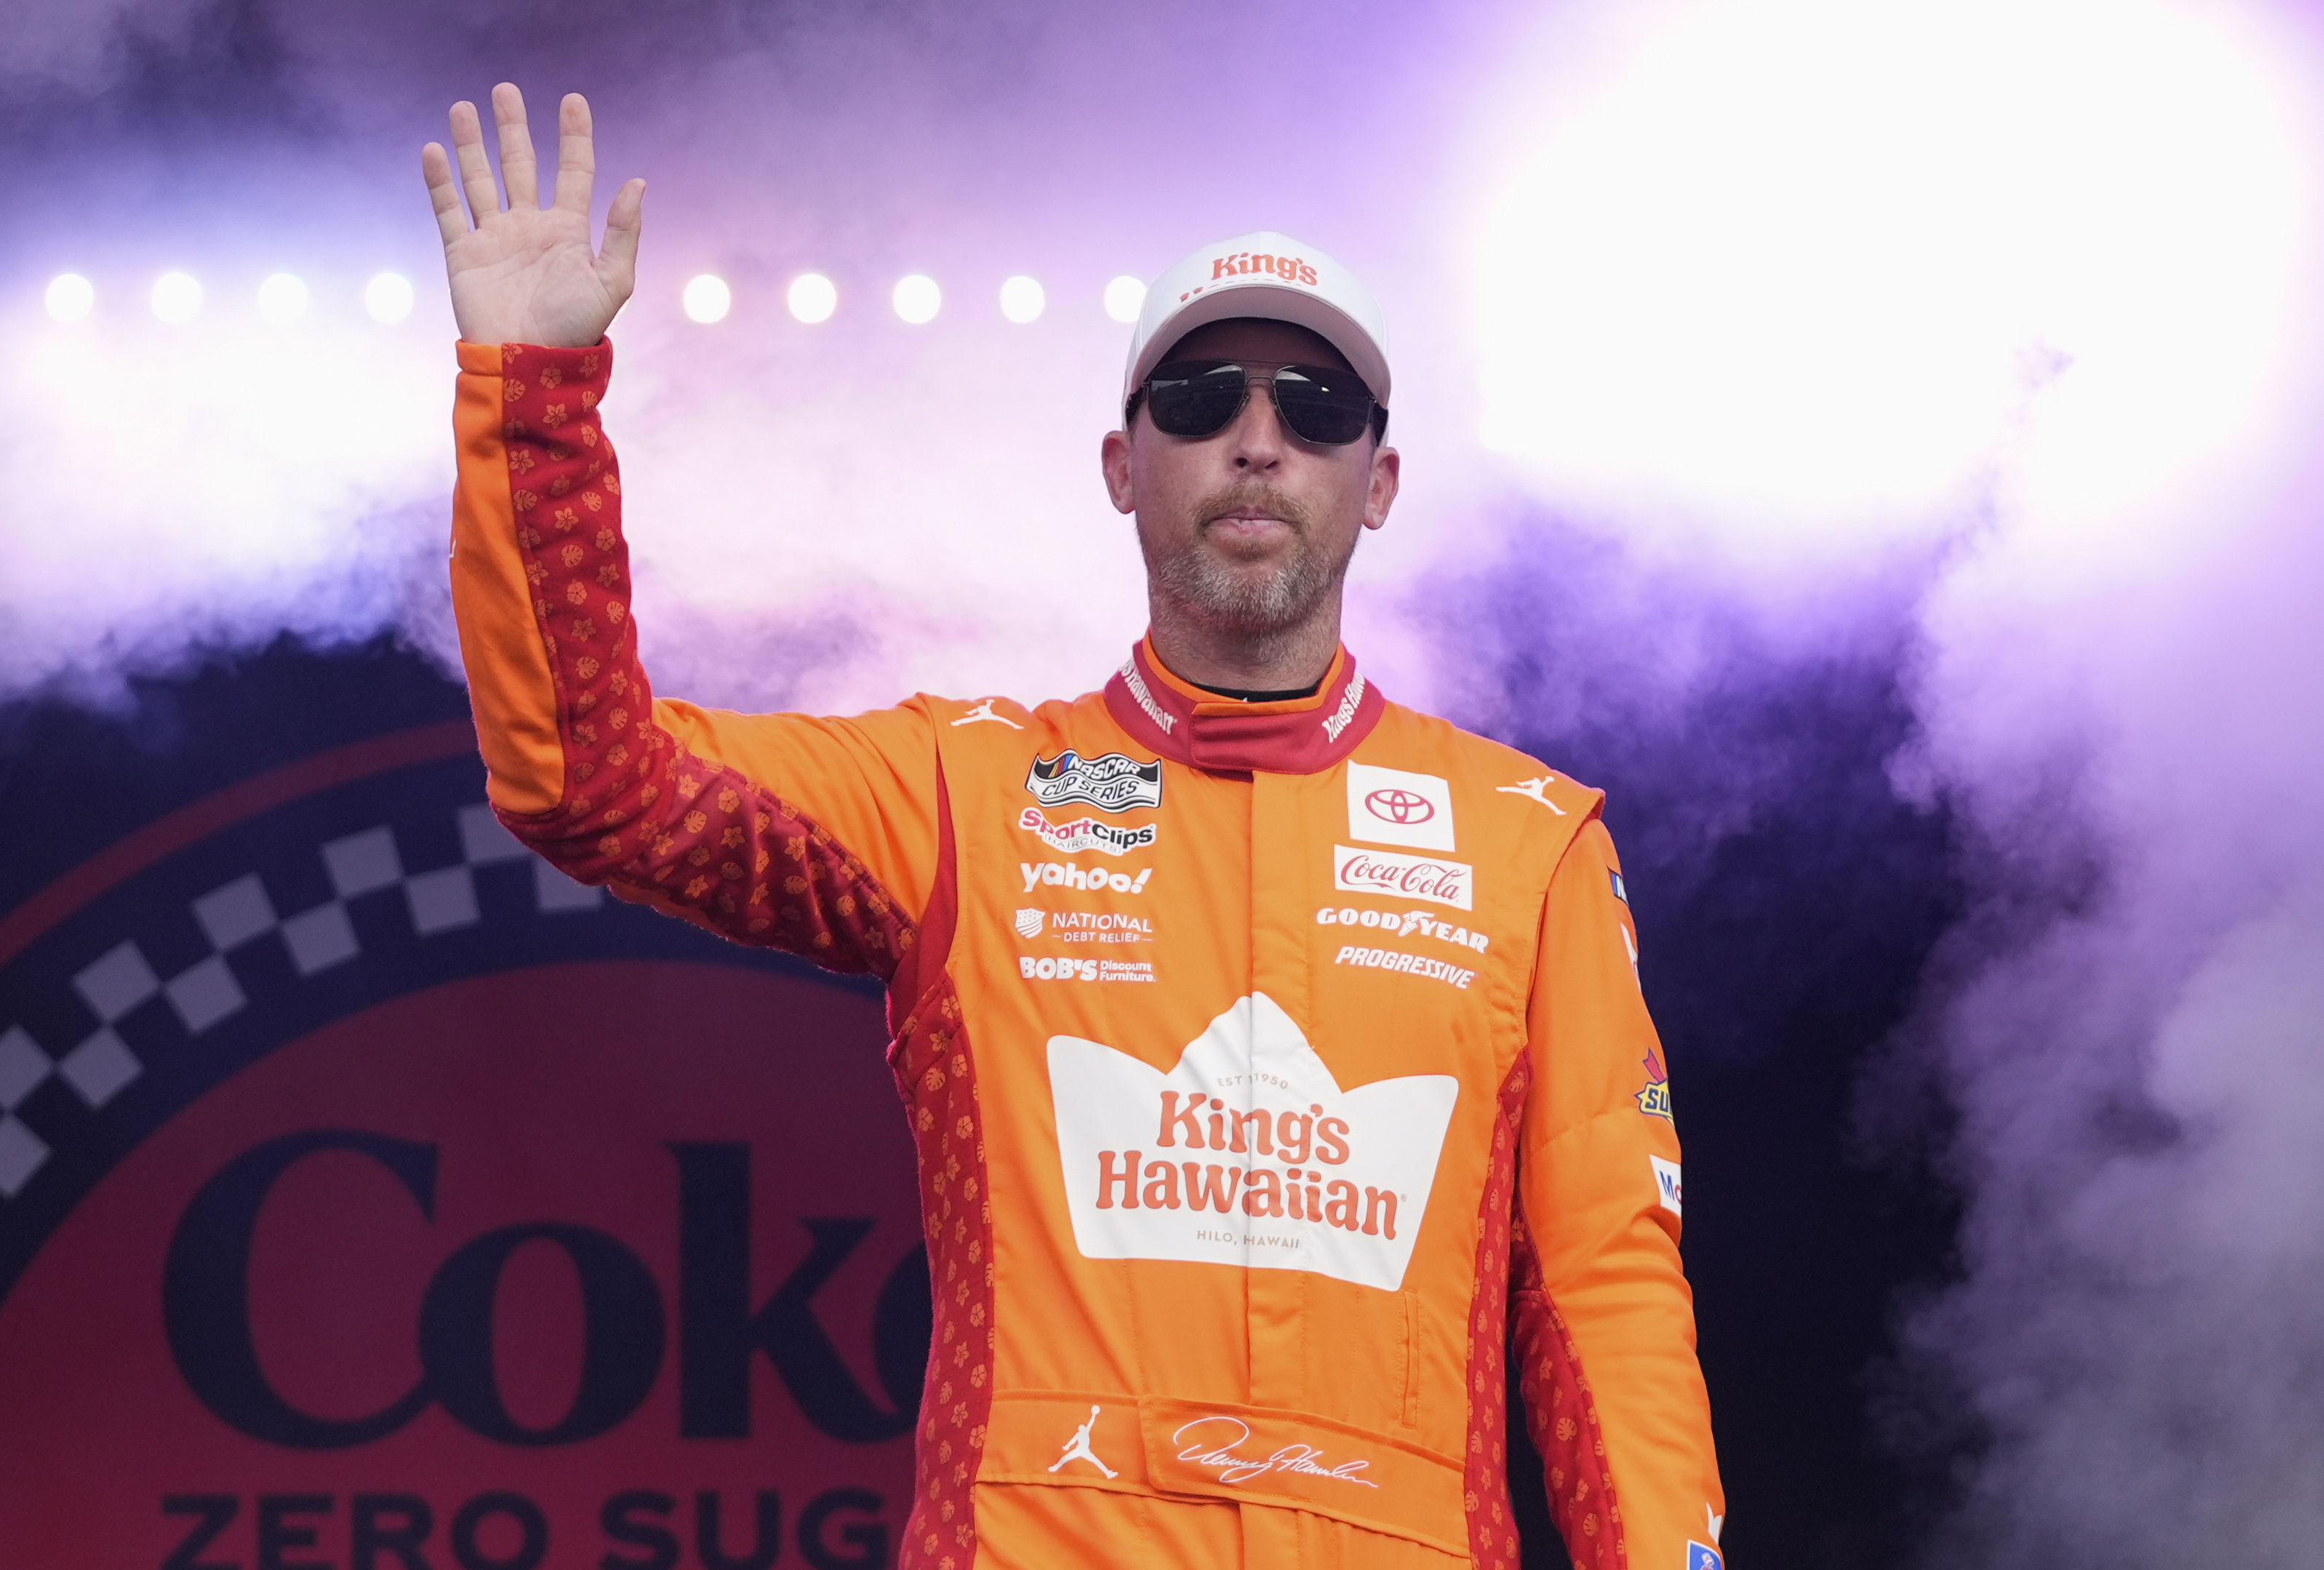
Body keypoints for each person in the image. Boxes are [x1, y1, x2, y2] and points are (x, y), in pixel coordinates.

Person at [425, 84, 1726, 1570]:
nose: (1256, 442)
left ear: (1377, 484)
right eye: (1201, 400)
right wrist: (536, 395)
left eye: (1313, 410)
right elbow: (591, 780)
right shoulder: (964, 792)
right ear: (1123, 467)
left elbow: (1606, 1298)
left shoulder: (1528, 842)